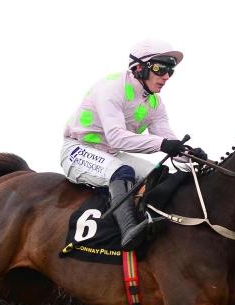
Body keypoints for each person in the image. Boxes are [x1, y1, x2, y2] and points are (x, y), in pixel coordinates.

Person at [60, 38, 207, 251]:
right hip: (77, 150)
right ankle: (129, 230)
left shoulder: (155, 102)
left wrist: (189, 154)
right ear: (139, 67)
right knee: (123, 171)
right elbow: (117, 137)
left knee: (160, 174)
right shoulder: (111, 89)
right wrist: (164, 145)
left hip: (110, 153)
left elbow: (167, 138)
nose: (166, 76)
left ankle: (152, 224)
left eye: (170, 71)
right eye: (160, 68)